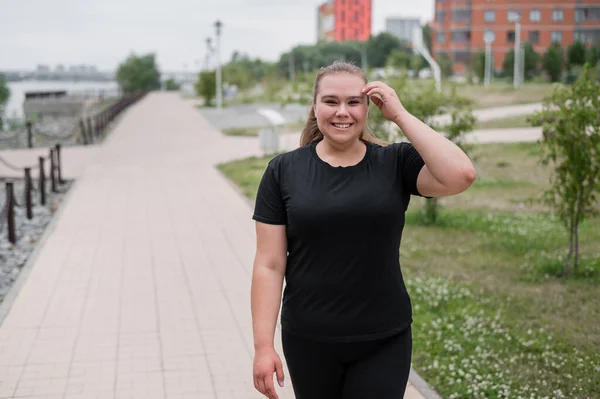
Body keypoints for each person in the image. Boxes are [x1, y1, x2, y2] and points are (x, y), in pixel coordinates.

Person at [250, 61, 476, 399]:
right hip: (309, 340)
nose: (343, 112)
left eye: (354, 101)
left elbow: (461, 174)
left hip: (384, 338)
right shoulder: (283, 170)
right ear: (314, 107)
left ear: (368, 107)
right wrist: (262, 347)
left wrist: (400, 115)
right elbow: (269, 264)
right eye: (331, 101)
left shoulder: (394, 162)